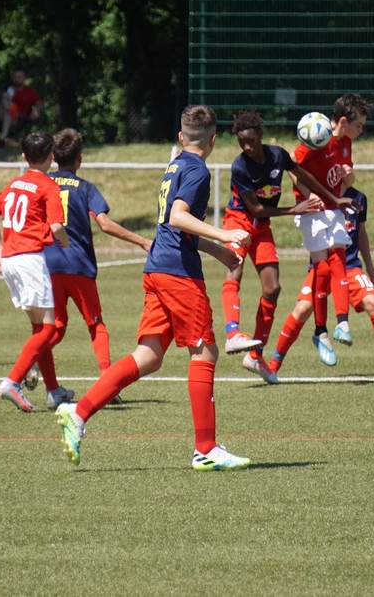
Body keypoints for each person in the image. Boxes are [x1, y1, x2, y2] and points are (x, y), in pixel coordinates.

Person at [55, 105, 252, 471]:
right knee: (204, 352)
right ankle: (206, 449)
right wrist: (224, 233)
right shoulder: (197, 170)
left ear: (180, 137)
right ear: (213, 140)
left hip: (158, 267)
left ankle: (78, 412)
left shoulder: (174, 165)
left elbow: (173, 226)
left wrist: (218, 252)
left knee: (149, 355)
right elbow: (178, 217)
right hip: (178, 273)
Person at [31, 127, 153, 399]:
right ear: (80, 158)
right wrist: (142, 241)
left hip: (46, 264)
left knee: (56, 326)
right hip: (78, 264)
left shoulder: (42, 184)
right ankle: (108, 384)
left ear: (53, 156)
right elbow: (105, 224)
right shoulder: (85, 188)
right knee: (95, 324)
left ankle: (32, 360)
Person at [220, 110, 326, 382]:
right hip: (238, 222)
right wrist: (295, 209)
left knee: (273, 288)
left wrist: (331, 198)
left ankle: (255, 356)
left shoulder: (278, 155)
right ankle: (232, 333)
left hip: (262, 227)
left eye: (251, 141)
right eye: (242, 142)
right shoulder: (239, 166)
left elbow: (302, 175)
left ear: (261, 135)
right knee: (234, 269)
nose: (247, 147)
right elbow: (256, 208)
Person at [268, 186, 374, 381]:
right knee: (302, 309)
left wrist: (370, 267)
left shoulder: (358, 197)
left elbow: (362, 234)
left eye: (350, 169)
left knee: (372, 302)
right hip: (322, 268)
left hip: (349, 267)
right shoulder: (321, 195)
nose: (347, 171)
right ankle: (273, 364)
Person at [0, 132, 73, 413]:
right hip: (30, 259)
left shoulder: (14, 183)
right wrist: (67, 244)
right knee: (49, 328)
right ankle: (12, 381)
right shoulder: (48, 186)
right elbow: (57, 226)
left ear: (24, 156)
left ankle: (54, 391)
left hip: (11, 259)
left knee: (39, 328)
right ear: (52, 157)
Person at [291, 93, 369, 367]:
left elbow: (346, 182)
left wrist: (349, 177)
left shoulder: (345, 143)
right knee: (322, 269)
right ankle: (320, 332)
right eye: (358, 125)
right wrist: (306, 194)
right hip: (313, 212)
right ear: (343, 122)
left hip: (334, 208)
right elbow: (291, 165)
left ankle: (342, 323)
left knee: (338, 261)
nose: (361, 131)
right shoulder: (318, 138)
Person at [0, 67, 44, 148]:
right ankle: (12, 108)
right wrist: (2, 94)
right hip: (2, 116)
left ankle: (2, 140)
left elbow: (40, 103)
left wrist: (36, 110)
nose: (17, 79)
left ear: (24, 78)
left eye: (20, 77)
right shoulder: (8, 89)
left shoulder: (29, 91)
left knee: (8, 113)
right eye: (15, 77)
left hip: (18, 119)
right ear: (13, 78)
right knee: (4, 100)